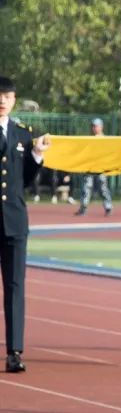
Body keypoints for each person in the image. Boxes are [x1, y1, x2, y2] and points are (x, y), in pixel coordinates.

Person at [0, 76, 51, 372]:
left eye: (7, 96)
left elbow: (27, 180)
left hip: (15, 221)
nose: (2, 100)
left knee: (15, 287)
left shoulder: (23, 134)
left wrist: (37, 154)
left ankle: (14, 351)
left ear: (14, 100)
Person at [74, 118, 113, 216]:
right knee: (86, 187)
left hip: (101, 168)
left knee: (103, 188)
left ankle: (108, 206)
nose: (94, 128)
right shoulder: (90, 139)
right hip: (90, 167)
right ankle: (83, 208)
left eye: (96, 126)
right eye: (93, 126)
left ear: (101, 127)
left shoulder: (106, 140)